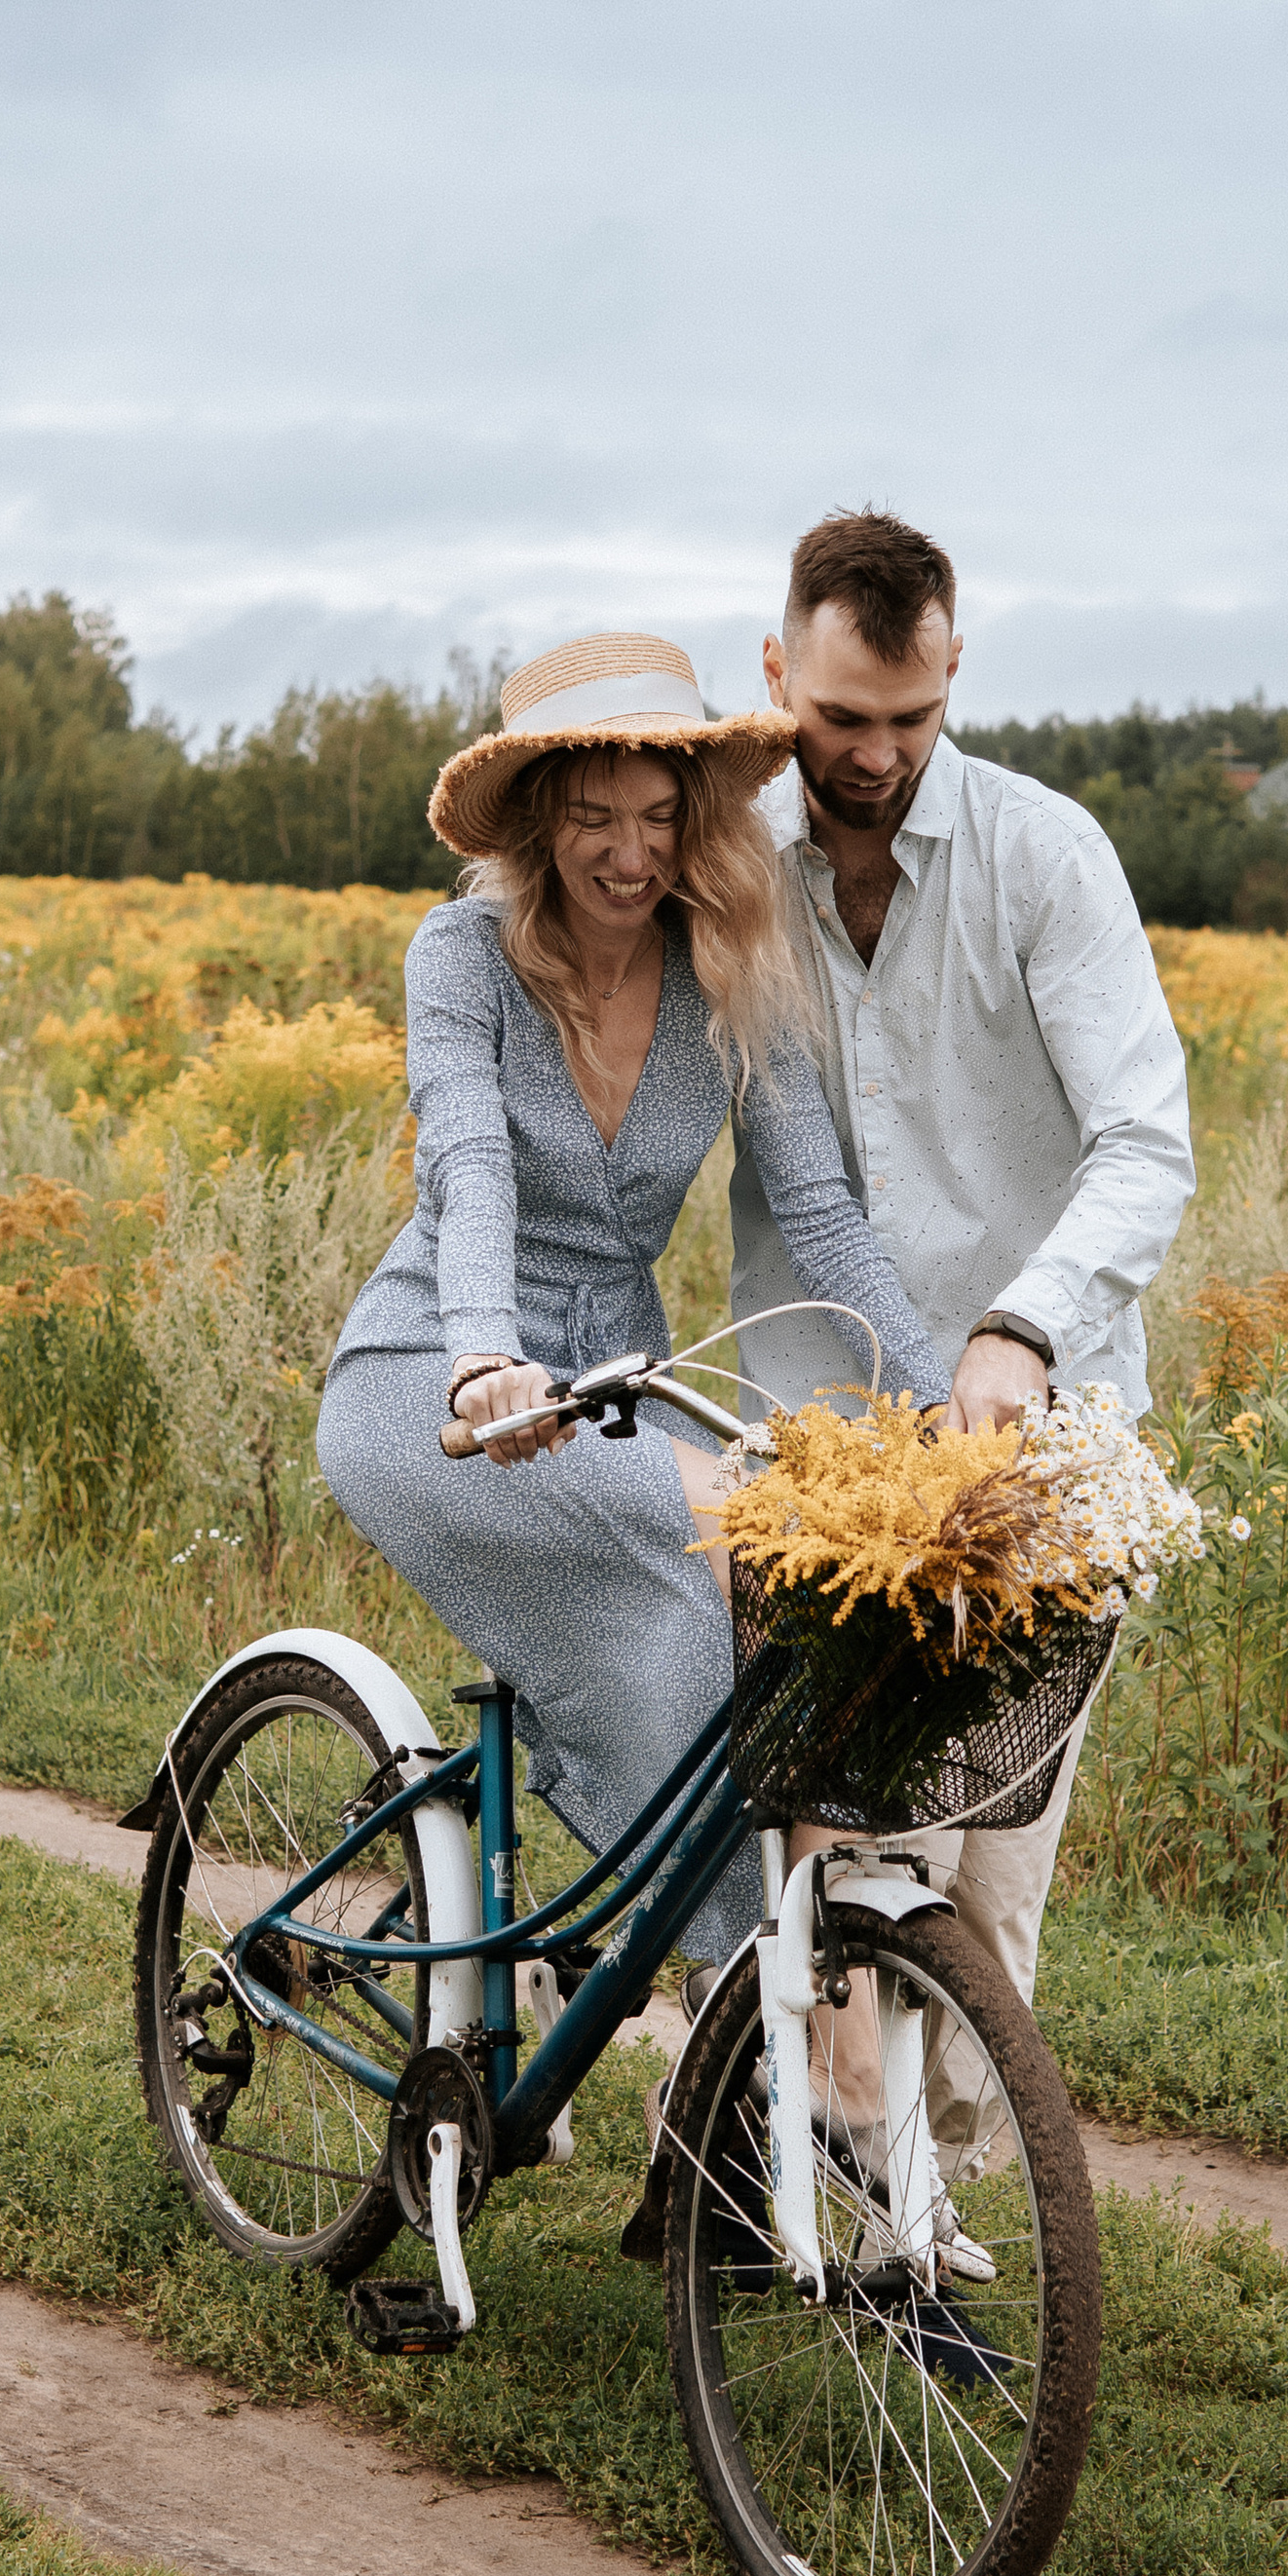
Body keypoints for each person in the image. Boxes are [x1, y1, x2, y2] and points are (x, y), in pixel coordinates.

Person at [318, 629, 947, 1968]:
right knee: (746, 1536)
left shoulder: (731, 963)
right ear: (539, 821)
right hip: (437, 1379)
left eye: (660, 817)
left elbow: (821, 1210)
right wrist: (483, 1360)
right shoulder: (463, 953)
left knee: (785, 1613)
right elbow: (470, 1164)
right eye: (595, 818)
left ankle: (767, 1999)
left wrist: (941, 1401)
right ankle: (741, 1994)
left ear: (696, 820)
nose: (630, 853)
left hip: (614, 1387)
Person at [728, 509, 1194, 2143]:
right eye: (840, 716)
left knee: (991, 1890)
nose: (875, 754)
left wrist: (1024, 1326)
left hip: (1038, 1440)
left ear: (955, 673)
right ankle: (842, 2195)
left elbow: (1147, 1146)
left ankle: (935, 2208)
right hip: (831, 1438)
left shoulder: (1044, 856)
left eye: (912, 717)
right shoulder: (731, 871)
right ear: (774, 669)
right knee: (851, 1855)